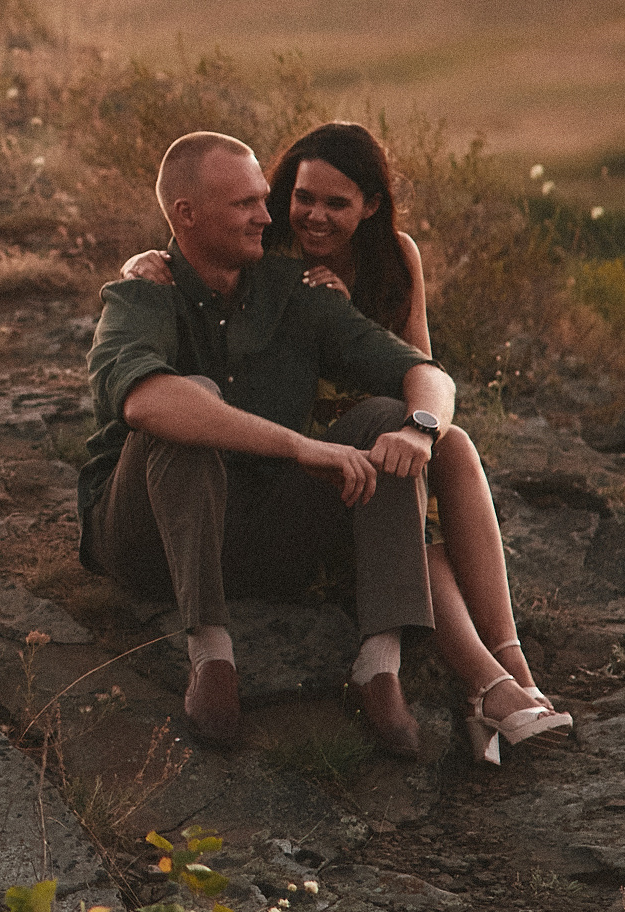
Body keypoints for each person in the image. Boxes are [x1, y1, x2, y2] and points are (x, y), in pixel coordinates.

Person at [118, 121, 570, 764]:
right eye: (303, 197)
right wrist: (141, 263)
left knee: (449, 444)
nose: (314, 216)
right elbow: (191, 249)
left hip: (377, 429)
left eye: (338, 203)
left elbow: (418, 365)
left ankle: (511, 671)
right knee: (408, 502)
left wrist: (416, 423)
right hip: (303, 443)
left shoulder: (395, 258)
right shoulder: (263, 250)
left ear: (372, 206)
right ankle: (489, 687)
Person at [78, 130, 452, 757]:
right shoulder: (142, 295)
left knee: (385, 415)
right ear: (186, 215)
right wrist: (303, 448)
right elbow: (145, 401)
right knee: (185, 405)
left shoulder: (295, 293)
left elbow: (424, 373)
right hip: (148, 544)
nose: (266, 215)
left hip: (263, 535)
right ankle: (211, 654)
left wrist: (420, 428)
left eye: (262, 199)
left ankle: (379, 664)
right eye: (245, 205)